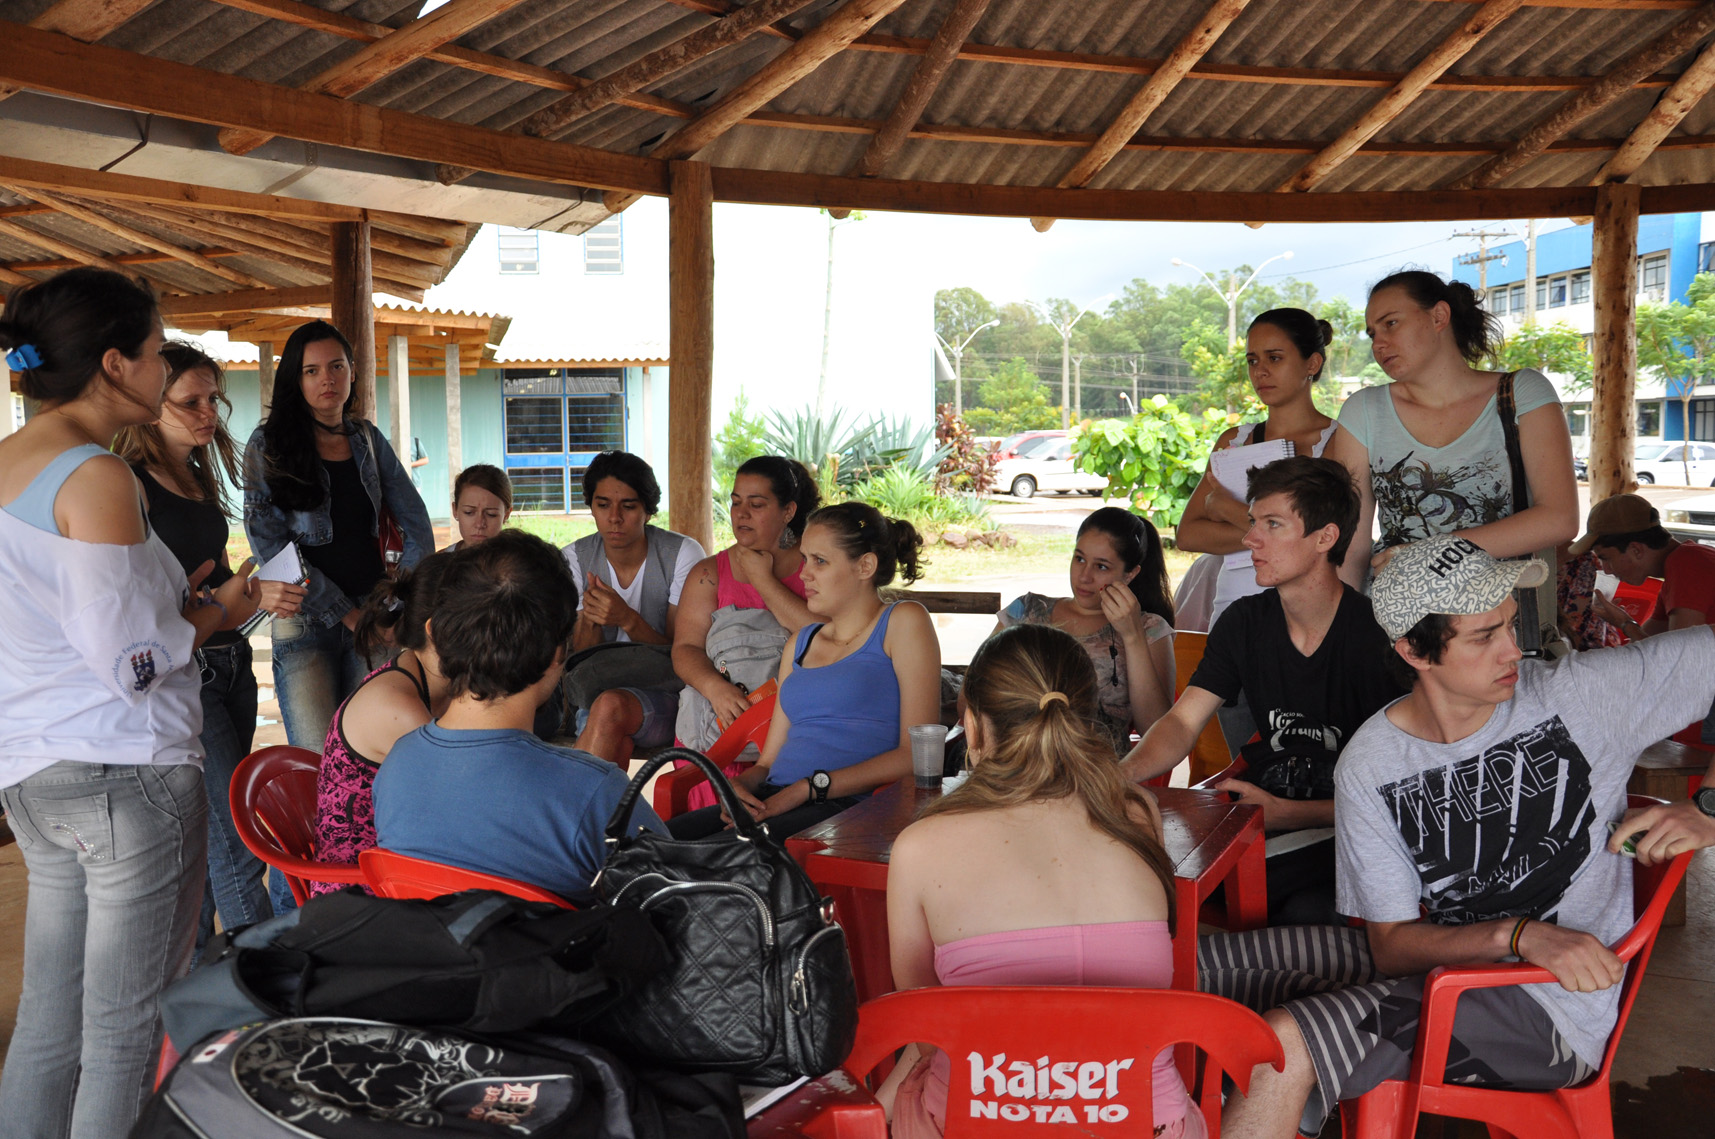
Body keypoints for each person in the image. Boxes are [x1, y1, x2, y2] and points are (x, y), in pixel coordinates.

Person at [1209, 535, 1715, 1138]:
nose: (1514, 650)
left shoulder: (1581, 693)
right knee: (1205, 967)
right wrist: (1516, 934)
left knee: (1285, 1045)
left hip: (1552, 1006)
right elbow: (1393, 946)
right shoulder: (1373, 763)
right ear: (1413, 652)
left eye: (1510, 624)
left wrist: (1708, 808)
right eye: (1484, 636)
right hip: (1458, 960)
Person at [0, 268, 260, 1138]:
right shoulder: (97, 475)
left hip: (36, 771)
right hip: (128, 775)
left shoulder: (9, 462)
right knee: (125, 1030)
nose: (162, 367)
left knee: (50, 1021)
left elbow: (63, 622)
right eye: (154, 352)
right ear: (114, 363)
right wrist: (220, 609)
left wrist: (169, 606)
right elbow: (135, 665)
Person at [879, 623, 1203, 1138]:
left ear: (973, 726)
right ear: (1087, 717)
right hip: (1144, 1125)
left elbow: (923, 1028)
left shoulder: (919, 847)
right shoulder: (1136, 814)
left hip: (973, 1125)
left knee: (896, 1086)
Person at [1122, 457, 1403, 926]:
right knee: (1140, 871)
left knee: (1297, 908)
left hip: (1349, 823)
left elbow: (1403, 793)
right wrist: (1120, 775)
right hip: (1261, 810)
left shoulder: (1378, 636)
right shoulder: (1244, 623)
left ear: (1325, 538)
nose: (1250, 538)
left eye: (1272, 524)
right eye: (1254, 522)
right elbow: (1183, 721)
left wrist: (1289, 814)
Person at [373, 531, 666, 903]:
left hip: (431, 941)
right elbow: (682, 906)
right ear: (558, 653)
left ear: (435, 635)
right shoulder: (592, 792)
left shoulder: (395, 768)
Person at [113, 339, 274, 944]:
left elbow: (212, 584)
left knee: (212, 833)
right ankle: (262, 968)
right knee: (236, 836)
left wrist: (253, 593)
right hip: (186, 673)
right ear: (153, 403)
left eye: (213, 400)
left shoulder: (198, 474)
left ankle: (201, 966)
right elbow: (133, 602)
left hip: (230, 661)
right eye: (190, 401)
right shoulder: (128, 485)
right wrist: (214, 605)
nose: (208, 413)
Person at [668, 502, 942, 840]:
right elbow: (767, 763)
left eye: (820, 561)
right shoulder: (801, 643)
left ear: (865, 566)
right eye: (805, 559)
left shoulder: (902, 622)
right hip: (778, 797)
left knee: (706, 858)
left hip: (849, 806)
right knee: (646, 846)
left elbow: (917, 755)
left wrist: (809, 788)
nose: (804, 574)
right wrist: (740, 785)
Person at [243, 320, 434, 760]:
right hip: (304, 619)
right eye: (311, 371)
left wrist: (396, 604)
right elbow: (270, 546)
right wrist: (346, 614)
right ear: (295, 379)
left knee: (374, 753)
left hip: (374, 616)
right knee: (316, 756)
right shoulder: (269, 444)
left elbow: (416, 523)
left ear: (352, 371)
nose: (326, 379)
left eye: (336, 366)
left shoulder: (366, 438)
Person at [1326, 269, 1578, 584]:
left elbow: (1560, 518)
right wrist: (1348, 612)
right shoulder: (1363, 410)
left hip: (1504, 607)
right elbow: (1352, 541)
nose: (1378, 344)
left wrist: (1432, 552)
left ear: (1439, 316)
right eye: (1372, 333)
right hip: (1398, 606)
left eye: (1391, 323)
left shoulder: (1520, 394)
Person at [1177, 308, 1339, 749]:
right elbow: (1189, 533)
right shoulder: (1234, 441)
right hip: (1232, 619)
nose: (1260, 371)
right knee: (1244, 761)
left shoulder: (1337, 441)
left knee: (1309, 758)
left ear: (1312, 363)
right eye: (1252, 360)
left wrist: (1229, 510)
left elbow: (1330, 541)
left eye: (1274, 358)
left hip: (1307, 622)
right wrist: (1279, 531)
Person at [309, 551, 455, 896]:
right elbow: (460, 809)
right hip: (358, 892)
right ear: (437, 630)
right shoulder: (400, 709)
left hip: (396, 869)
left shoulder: (427, 678)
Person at [560, 451, 705, 763]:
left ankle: (584, 792)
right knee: (606, 714)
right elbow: (583, 662)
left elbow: (681, 652)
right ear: (591, 507)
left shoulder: (682, 554)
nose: (614, 517)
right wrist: (590, 619)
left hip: (668, 696)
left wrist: (627, 619)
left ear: (648, 511)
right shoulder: (575, 558)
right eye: (603, 505)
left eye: (628, 506)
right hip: (598, 693)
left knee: (606, 710)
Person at [994, 507, 1176, 753]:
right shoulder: (1026, 611)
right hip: (1015, 761)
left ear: (1130, 574)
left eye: (1101, 566)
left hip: (1099, 770)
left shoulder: (1149, 629)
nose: (1084, 576)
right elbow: (972, 697)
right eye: (1079, 559)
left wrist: (1132, 636)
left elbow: (1156, 730)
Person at [673, 455, 821, 742]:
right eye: (735, 502)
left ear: (788, 511)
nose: (741, 514)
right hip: (718, 725)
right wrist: (715, 688)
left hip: (799, 725)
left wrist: (763, 580)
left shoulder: (816, 567)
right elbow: (686, 648)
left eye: (756, 505)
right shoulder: (708, 573)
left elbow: (829, 639)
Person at [446, 463, 512, 551]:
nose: (479, 524)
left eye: (491, 514)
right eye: (469, 512)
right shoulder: (442, 559)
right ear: (455, 510)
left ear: (506, 515)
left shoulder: (523, 559)